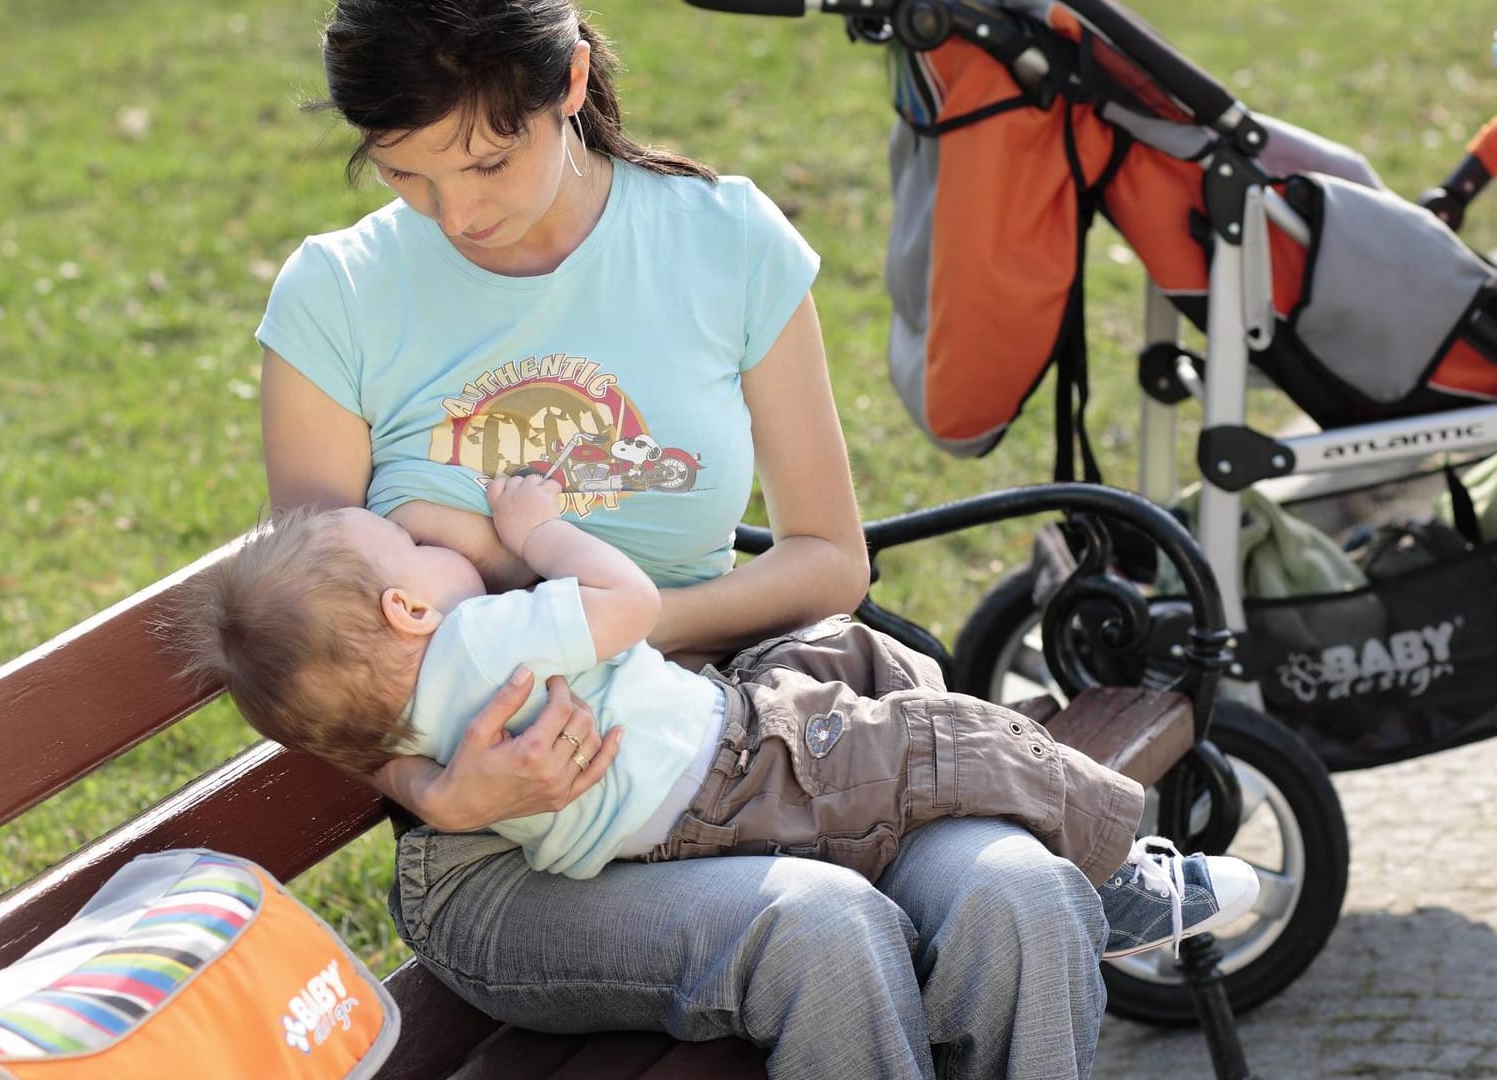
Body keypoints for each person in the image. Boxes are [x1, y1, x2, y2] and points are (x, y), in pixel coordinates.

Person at [254, 0, 1159, 1074]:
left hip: (777, 744)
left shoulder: (721, 240)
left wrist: (609, 631)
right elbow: (322, 648)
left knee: (1024, 898)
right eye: (408, 176)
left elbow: (829, 558)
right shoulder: (338, 298)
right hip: (514, 846)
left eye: (489, 163)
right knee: (823, 930)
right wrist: (438, 793)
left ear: (573, 83)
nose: (455, 214)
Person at [180, 483, 1258, 961]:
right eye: (405, 542)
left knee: (843, 650)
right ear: (409, 606)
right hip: (735, 773)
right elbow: (629, 608)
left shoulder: (414, 717)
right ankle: (1117, 874)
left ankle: (989, 761)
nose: (427, 535)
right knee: (938, 745)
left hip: (700, 766)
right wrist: (542, 531)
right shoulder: (481, 645)